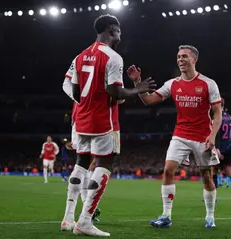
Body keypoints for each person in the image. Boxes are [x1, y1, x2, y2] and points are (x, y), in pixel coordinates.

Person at [60, 14, 155, 236]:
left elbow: (69, 85)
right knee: (104, 164)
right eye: (119, 30)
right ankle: (84, 221)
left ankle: (67, 218)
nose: (121, 34)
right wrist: (138, 89)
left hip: (80, 118)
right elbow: (115, 92)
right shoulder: (113, 57)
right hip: (102, 119)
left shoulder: (80, 56)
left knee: (81, 163)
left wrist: (81, 100)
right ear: (111, 30)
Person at [127, 45, 222, 228]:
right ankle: (166, 216)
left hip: (202, 136)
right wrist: (137, 82)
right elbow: (148, 100)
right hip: (180, 134)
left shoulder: (208, 84)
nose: (180, 60)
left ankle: (210, 216)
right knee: (168, 169)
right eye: (178, 57)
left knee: (206, 176)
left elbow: (217, 114)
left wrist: (212, 136)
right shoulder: (172, 84)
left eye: (184, 56)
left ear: (194, 59)